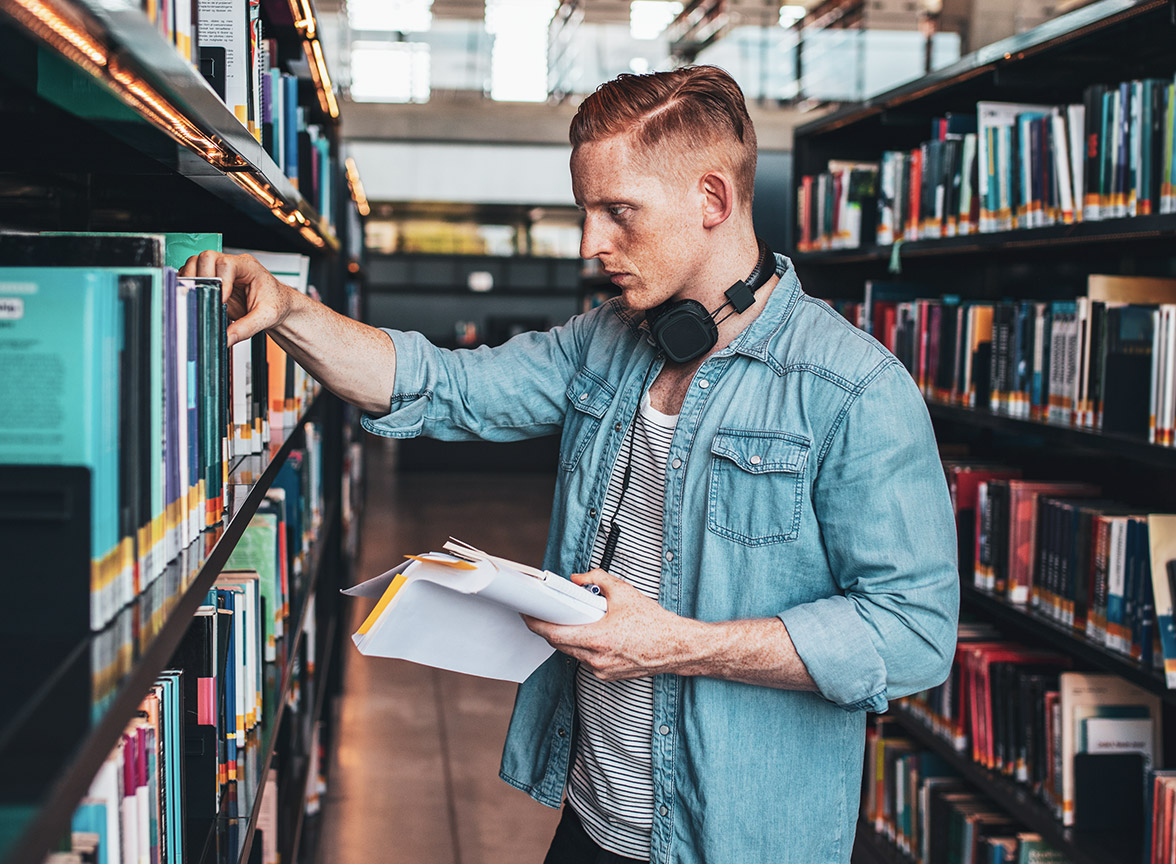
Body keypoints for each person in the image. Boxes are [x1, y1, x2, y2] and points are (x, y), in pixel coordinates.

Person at [183, 65, 959, 864]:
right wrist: (288, 312)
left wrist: (676, 642)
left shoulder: (854, 390)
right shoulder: (609, 340)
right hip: (590, 818)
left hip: (741, 840)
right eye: (586, 211)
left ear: (713, 201)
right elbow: (446, 387)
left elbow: (913, 634)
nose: (592, 244)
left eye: (619, 212)